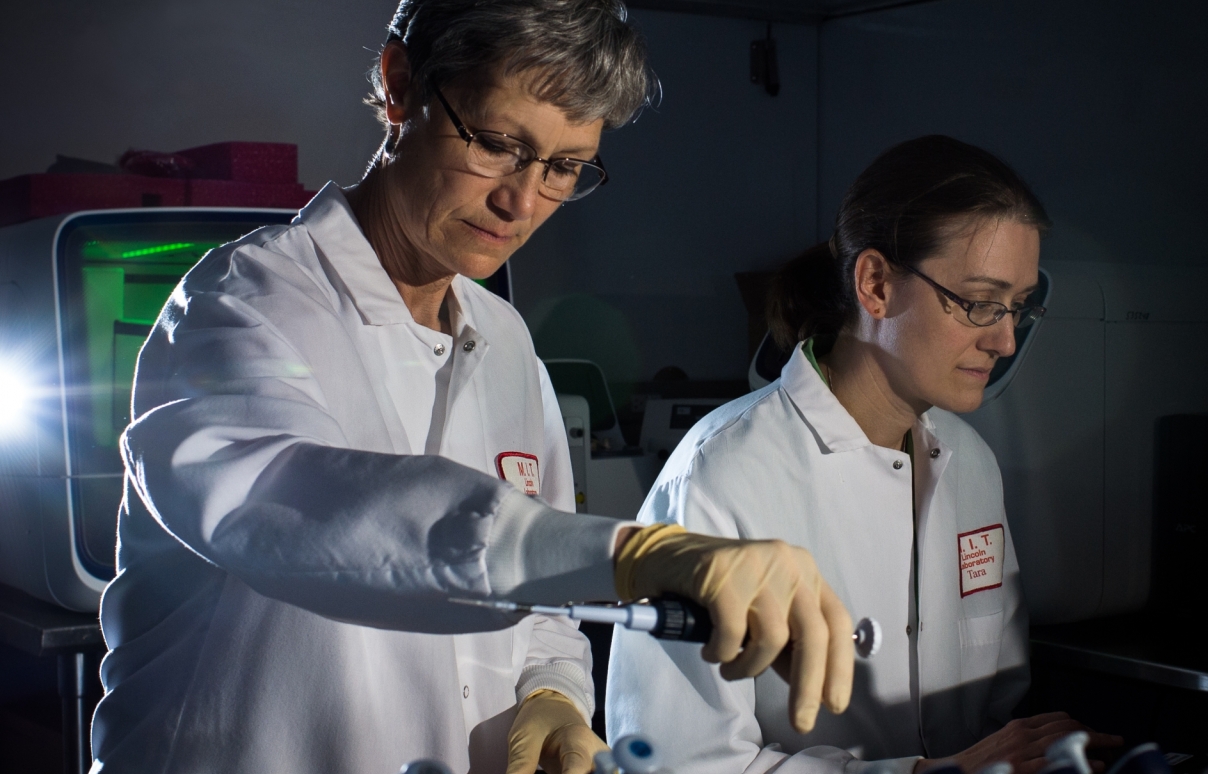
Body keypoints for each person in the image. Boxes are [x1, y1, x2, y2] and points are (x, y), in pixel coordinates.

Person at [92, 3, 856, 773]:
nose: (522, 201)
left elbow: (546, 609)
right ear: (400, 87)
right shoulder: (244, 301)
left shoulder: (505, 340)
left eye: (562, 167)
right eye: (497, 144)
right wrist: (630, 553)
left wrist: (550, 693)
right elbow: (284, 505)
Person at [606, 135, 1122, 774]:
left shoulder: (970, 461)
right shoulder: (724, 472)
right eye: (979, 303)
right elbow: (674, 762)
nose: (1006, 340)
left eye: (1017, 307)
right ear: (876, 284)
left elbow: (994, 707)